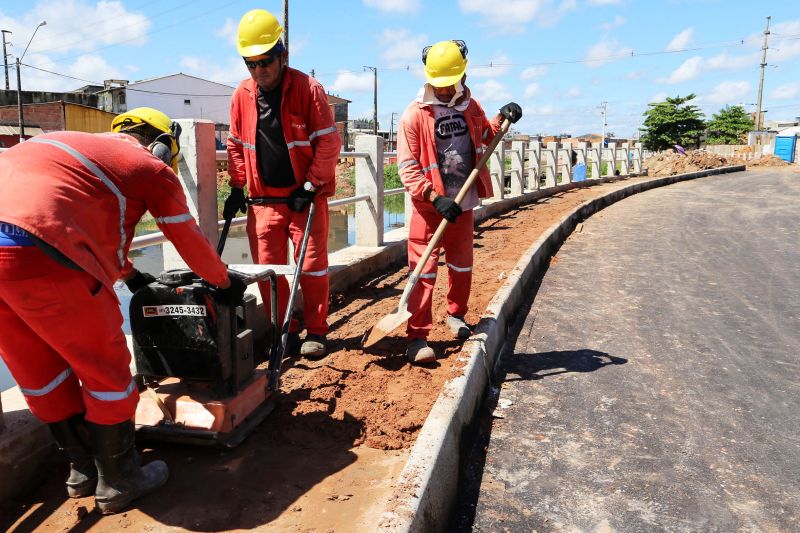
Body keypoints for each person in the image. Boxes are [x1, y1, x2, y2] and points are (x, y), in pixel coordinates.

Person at [0, 107, 245, 514]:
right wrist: (222, 281)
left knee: (39, 371)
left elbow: (83, 222)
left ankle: (82, 470)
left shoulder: (63, 149)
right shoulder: (148, 165)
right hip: (46, 255)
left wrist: (131, 276)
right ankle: (119, 479)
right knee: (106, 369)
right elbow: (187, 237)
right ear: (163, 145)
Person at [225, 9, 341, 360]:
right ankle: (284, 328)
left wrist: (310, 185)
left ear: (282, 55)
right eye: (252, 63)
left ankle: (317, 330)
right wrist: (235, 186)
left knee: (312, 266)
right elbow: (235, 145)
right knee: (268, 271)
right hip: (262, 201)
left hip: (302, 198)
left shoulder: (308, 89)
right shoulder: (241, 95)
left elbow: (328, 143)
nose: (260, 70)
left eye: (266, 61)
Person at [397, 39, 522, 363]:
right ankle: (417, 335)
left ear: (462, 75)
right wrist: (435, 197)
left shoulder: (470, 106)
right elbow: (408, 168)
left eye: (450, 82)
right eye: (439, 83)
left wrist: (502, 117)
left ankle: (456, 315)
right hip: (429, 210)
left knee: (462, 266)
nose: (444, 89)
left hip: (463, 206)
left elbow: (485, 136)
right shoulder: (414, 115)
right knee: (422, 271)